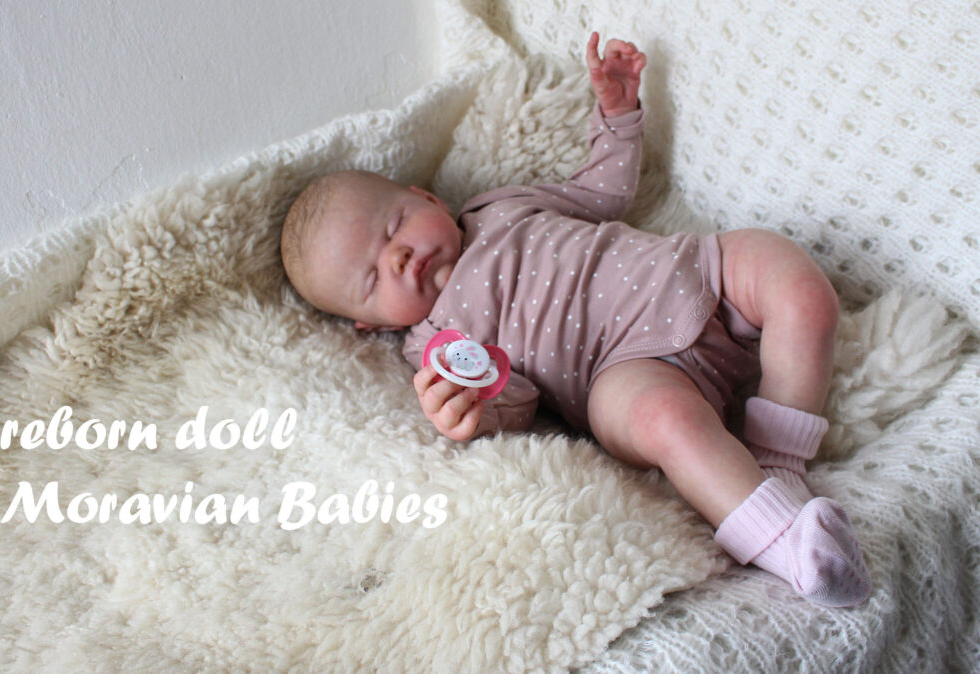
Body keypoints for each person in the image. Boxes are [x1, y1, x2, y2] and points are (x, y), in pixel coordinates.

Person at [280, 32, 871, 607]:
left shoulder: (498, 207)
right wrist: (471, 412)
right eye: (373, 279)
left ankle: (778, 459)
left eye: (394, 226)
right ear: (373, 324)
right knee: (666, 421)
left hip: (691, 274)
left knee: (792, 278)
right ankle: (787, 547)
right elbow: (518, 401)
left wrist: (616, 116)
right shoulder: (434, 344)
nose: (398, 257)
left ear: (428, 199)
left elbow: (600, 194)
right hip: (625, 371)